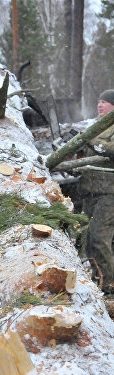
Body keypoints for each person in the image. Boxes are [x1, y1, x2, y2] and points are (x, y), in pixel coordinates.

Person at [78, 89, 114, 293]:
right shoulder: (100, 127)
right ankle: (98, 279)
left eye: (105, 102)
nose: (100, 105)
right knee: (90, 239)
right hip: (91, 191)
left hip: (109, 193)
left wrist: (89, 139)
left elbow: (108, 149)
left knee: (99, 237)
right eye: (98, 101)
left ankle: (108, 286)